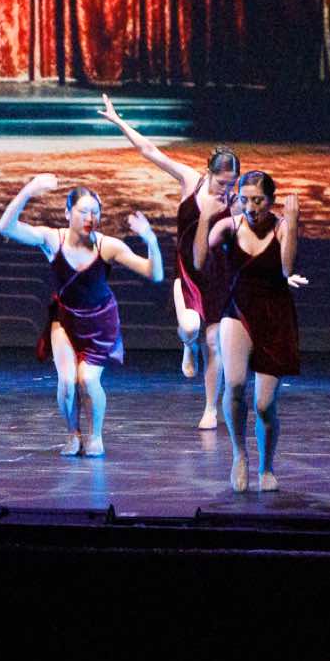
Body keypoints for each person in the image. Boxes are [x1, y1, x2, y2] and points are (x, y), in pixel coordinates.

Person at [0, 173, 163, 457]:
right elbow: (6, 227)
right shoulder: (53, 240)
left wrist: (151, 240)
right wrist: (30, 189)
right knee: (67, 381)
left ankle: (95, 436)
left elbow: (154, 274)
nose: (90, 218)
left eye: (95, 212)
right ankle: (73, 434)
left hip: (100, 324)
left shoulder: (107, 246)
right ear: (67, 213)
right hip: (65, 321)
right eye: (83, 211)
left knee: (87, 379)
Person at [98, 95, 239, 429]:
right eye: (222, 182)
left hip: (219, 279)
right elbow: (150, 151)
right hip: (187, 274)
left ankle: (210, 409)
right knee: (190, 328)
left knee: (215, 344)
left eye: (232, 183)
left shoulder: (235, 203)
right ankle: (187, 346)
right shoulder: (191, 181)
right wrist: (119, 122)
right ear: (209, 173)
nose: (227, 188)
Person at [198, 172, 307, 492]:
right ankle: (239, 454)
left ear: (270, 201)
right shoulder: (229, 227)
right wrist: (205, 219)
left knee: (263, 405)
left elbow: (286, 269)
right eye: (244, 200)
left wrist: (293, 223)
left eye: (258, 200)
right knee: (233, 385)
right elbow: (199, 260)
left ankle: (266, 466)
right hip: (238, 311)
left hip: (275, 316)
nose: (250, 207)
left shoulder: (281, 227)